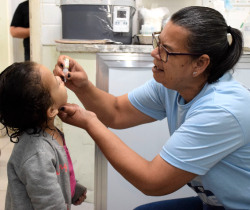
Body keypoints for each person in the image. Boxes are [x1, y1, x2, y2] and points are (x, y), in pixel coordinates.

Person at [54, 6, 250, 210]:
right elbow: (116, 112)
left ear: (200, 64)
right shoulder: (172, 85)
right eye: (158, 42)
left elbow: (152, 181)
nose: (154, 53)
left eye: (167, 50)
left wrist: (90, 122)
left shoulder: (221, 110)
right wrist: (83, 86)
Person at [0, 62, 87, 209]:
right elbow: (49, 204)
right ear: (51, 110)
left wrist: (72, 188)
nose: (59, 78)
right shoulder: (37, 153)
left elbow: (55, 172)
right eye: (55, 82)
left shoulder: (50, 133)